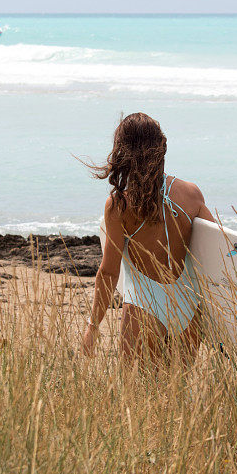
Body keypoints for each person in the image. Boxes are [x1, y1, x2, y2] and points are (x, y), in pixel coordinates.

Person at [81, 112, 215, 362]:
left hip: (144, 307)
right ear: (161, 148)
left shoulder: (119, 205)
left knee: (137, 397)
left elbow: (109, 272)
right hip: (188, 307)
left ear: (122, 152)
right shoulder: (191, 193)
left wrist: (93, 326)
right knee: (178, 394)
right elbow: (217, 252)